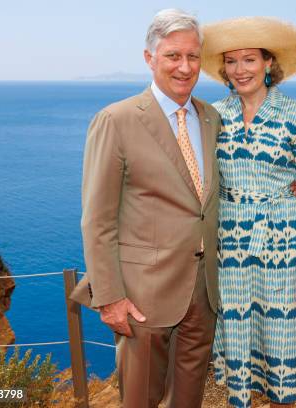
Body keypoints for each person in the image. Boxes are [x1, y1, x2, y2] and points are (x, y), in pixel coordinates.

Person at [69, 9, 221, 408]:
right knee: (140, 401)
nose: (185, 67)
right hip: (141, 298)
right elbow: (97, 219)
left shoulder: (211, 118)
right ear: (149, 58)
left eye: (193, 56)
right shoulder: (115, 121)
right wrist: (110, 296)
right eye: (173, 55)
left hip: (203, 294)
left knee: (188, 401)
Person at [201, 17, 296, 408]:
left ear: (268, 63)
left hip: (283, 233)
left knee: (282, 330)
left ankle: (283, 399)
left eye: (249, 59)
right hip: (229, 237)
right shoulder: (214, 116)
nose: (240, 69)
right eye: (231, 62)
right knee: (238, 325)